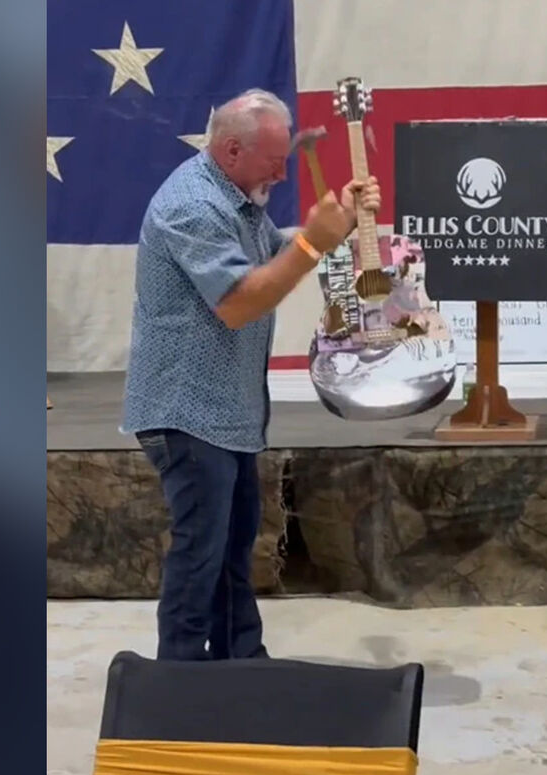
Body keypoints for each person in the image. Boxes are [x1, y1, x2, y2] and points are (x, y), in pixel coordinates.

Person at [121, 88, 381, 661]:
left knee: (231, 551)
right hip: (186, 411)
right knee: (201, 555)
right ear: (232, 150)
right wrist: (314, 241)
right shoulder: (193, 204)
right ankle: (177, 682)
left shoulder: (237, 200)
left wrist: (339, 225)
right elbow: (240, 302)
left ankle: (241, 662)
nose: (283, 175)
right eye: (275, 161)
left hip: (225, 412)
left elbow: (274, 260)